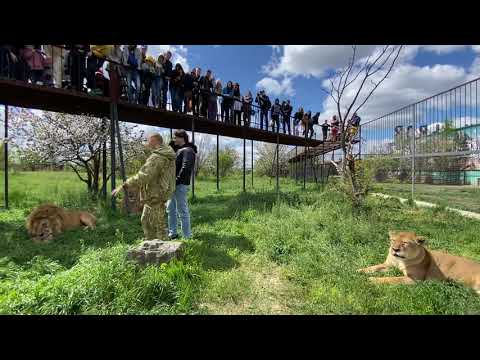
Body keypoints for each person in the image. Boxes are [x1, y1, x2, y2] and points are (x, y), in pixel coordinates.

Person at [111, 132, 176, 241]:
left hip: (156, 194)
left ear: (154, 140)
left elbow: (144, 175)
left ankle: (163, 250)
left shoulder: (158, 157)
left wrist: (125, 185)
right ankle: (152, 245)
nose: (146, 143)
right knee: (147, 221)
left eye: (147, 140)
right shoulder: (163, 154)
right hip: (157, 193)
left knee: (156, 225)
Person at [167, 129, 197, 240]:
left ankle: (187, 236)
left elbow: (185, 168)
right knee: (170, 209)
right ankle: (173, 233)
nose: (173, 139)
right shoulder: (179, 151)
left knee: (182, 210)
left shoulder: (188, 150)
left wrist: (176, 181)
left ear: (181, 138)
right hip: (173, 184)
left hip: (180, 185)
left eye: (175, 137)